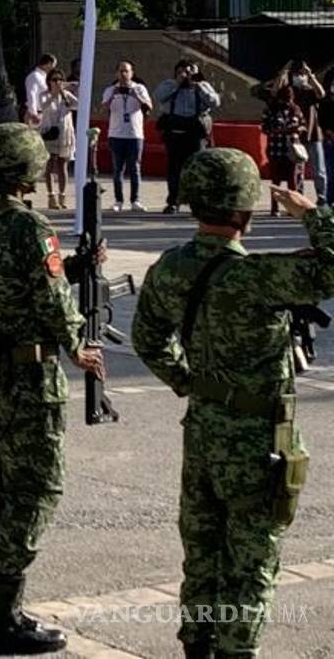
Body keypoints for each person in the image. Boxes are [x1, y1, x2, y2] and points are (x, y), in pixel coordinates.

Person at [131, 149, 327, 659]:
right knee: (251, 560)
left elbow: (148, 337)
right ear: (244, 210)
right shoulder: (258, 276)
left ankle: (198, 645)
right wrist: (311, 214)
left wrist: (188, 382)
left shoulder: (171, 268)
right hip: (258, 437)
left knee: (202, 551)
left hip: (202, 428)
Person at [0, 123, 107, 655]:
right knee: (36, 490)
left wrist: (73, 266)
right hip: (31, 374)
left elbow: (14, 282)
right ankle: (3, 616)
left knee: (1, 490)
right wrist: (77, 345)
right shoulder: (29, 224)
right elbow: (49, 298)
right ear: (27, 167)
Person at [155, 60, 221, 213]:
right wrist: (177, 83)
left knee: (198, 167)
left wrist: (199, 87)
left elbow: (215, 102)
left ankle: (197, 202)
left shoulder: (203, 85)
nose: (186, 75)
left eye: (191, 72)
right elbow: (159, 96)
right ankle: (173, 201)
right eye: (182, 72)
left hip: (195, 131)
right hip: (175, 130)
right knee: (174, 168)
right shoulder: (169, 84)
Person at [269, 59, 325, 205]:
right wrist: (283, 72)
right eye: (297, 75)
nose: (300, 77)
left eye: (302, 75)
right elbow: (274, 91)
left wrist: (310, 75)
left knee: (318, 170)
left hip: (313, 133)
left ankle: (322, 198)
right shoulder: (289, 91)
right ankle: (299, 200)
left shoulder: (310, 91)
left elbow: (321, 94)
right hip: (295, 137)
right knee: (297, 171)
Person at [101, 61, 153, 212]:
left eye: (126, 71)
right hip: (116, 134)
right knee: (118, 169)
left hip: (134, 134)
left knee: (135, 168)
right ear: (116, 73)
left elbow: (149, 107)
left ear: (132, 73)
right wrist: (113, 95)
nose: (123, 74)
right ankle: (118, 200)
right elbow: (104, 107)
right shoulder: (111, 89)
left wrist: (135, 96)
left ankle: (135, 200)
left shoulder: (139, 88)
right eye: (121, 71)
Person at [262, 85, 305, 217]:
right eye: (286, 99)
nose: (288, 102)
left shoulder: (296, 109)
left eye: (290, 99)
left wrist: (298, 129)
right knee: (276, 180)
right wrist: (280, 131)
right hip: (275, 149)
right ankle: (274, 208)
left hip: (292, 149)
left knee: (293, 180)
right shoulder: (270, 110)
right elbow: (264, 128)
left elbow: (303, 124)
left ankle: (293, 208)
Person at [37, 70, 77, 210]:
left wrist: (66, 92)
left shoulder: (66, 95)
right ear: (49, 81)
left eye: (60, 80)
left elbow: (77, 105)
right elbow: (42, 107)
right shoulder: (44, 95)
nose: (57, 82)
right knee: (50, 165)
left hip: (64, 133)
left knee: (62, 165)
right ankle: (51, 196)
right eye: (54, 80)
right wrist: (53, 95)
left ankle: (62, 195)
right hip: (50, 132)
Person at [23, 53, 57, 126]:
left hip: (45, 114)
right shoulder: (34, 76)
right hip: (36, 115)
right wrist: (34, 113)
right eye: (53, 66)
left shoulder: (44, 77)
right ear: (49, 64)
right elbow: (31, 94)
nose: (53, 69)